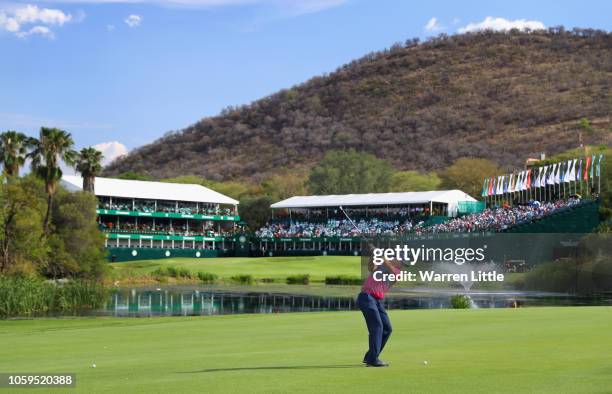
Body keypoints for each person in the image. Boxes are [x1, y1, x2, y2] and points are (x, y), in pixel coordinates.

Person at [357, 252, 400, 367]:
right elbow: (371, 267)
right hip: (367, 297)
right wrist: (373, 255)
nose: (401, 264)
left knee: (387, 328)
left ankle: (371, 356)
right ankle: (373, 359)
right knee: (377, 327)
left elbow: (391, 268)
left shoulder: (397, 272)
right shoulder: (381, 266)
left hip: (376, 301)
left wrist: (381, 255)